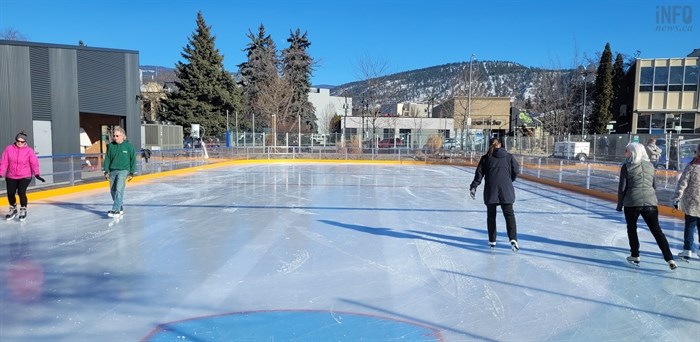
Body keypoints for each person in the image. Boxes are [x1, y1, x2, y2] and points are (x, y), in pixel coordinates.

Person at [616, 142, 677, 270]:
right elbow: (654, 186)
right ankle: (669, 258)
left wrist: (619, 204)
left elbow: (622, 188)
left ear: (632, 152)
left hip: (632, 202)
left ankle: (635, 255)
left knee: (632, 228)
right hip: (650, 202)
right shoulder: (650, 166)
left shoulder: (627, 166)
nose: (625, 153)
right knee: (657, 230)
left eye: (626, 150)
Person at [469, 137, 520, 251]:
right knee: (509, 215)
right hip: (506, 191)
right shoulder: (509, 157)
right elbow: (516, 171)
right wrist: (509, 180)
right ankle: (513, 239)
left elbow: (479, 174)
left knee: (491, 216)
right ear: (501, 144)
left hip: (491, 191)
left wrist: (474, 186)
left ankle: (492, 240)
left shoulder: (486, 158)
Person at [0, 130, 44, 221]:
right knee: (10, 193)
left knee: (21, 192)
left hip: (25, 175)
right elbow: (4, 162)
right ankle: (13, 209)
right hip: (11, 175)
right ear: (16, 140)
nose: (20, 143)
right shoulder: (9, 149)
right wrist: (1, 173)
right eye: (18, 141)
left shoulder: (29, 151)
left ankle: (23, 209)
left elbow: (34, 163)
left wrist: (37, 174)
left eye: (22, 141)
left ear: (25, 142)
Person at [672, 143, 700, 260]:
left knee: (690, 226)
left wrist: (677, 197)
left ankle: (687, 250)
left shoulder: (692, 166)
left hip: (692, 201)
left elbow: (682, 183)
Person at [103, 126, 136, 218]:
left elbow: (133, 159)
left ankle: (116, 209)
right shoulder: (111, 146)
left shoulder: (129, 147)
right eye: (114, 136)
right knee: (112, 190)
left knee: (119, 189)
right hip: (112, 170)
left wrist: (132, 172)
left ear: (123, 136)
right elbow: (107, 159)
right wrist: (106, 171)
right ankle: (120, 207)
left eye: (117, 136)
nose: (115, 137)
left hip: (123, 170)